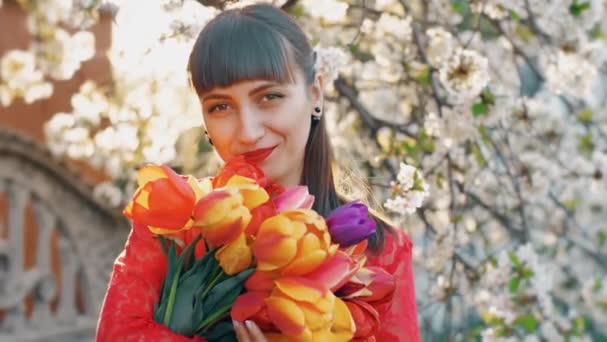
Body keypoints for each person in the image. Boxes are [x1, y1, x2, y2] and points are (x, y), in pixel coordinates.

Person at [96, 3, 419, 341]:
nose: (247, 131)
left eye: (269, 97)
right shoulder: (174, 223)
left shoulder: (380, 251)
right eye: (221, 106)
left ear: (314, 95)